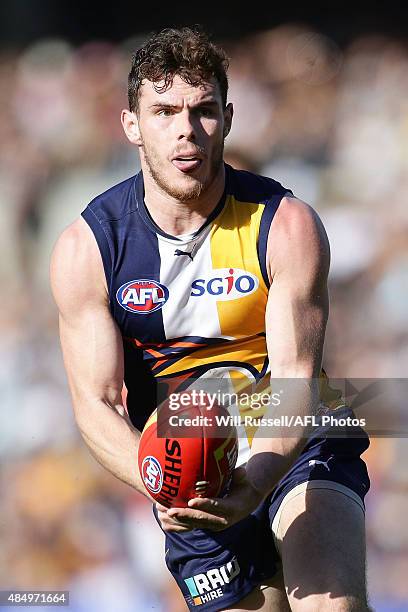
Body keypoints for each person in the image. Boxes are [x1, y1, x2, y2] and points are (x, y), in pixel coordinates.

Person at [50, 27, 371, 611]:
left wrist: (257, 481)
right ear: (131, 125)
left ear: (227, 117)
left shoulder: (286, 224)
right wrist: (161, 484)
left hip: (294, 438)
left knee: (330, 603)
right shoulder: (89, 248)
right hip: (186, 467)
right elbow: (95, 404)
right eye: (164, 111)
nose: (185, 130)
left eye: (202, 111)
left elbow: (296, 380)